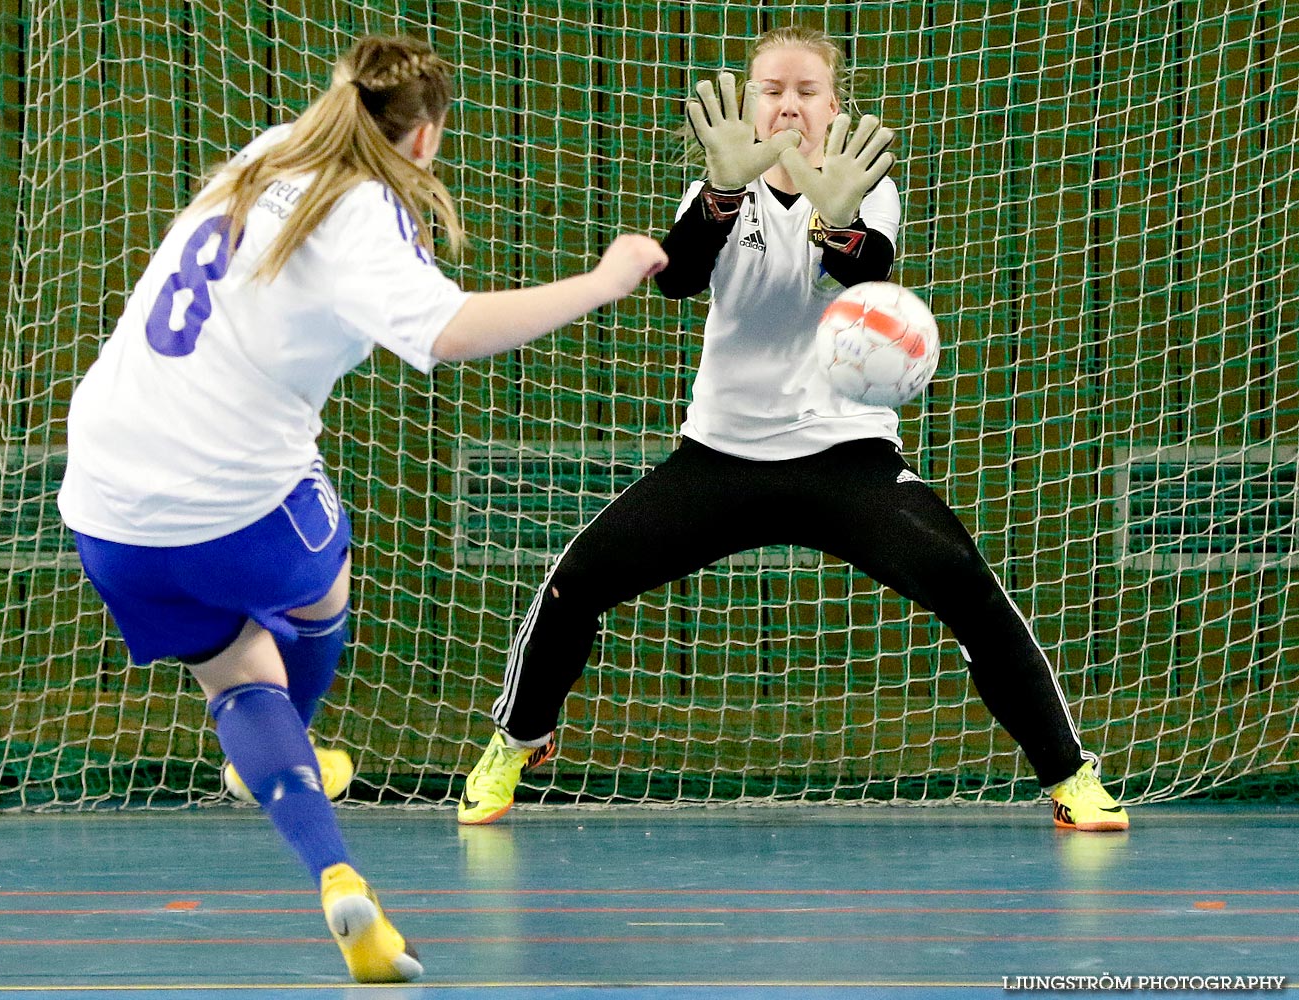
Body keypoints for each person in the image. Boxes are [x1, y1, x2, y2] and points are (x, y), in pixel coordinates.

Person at [57, 35, 666, 984]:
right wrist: (605, 277)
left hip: (103, 495)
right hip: (232, 500)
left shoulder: (263, 154)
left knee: (228, 671)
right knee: (323, 581)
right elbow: (449, 331)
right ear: (423, 140)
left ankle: (333, 862)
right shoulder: (359, 217)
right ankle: (292, 742)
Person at [456, 25, 1128, 834]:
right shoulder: (719, 183)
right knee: (573, 583)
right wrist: (717, 195)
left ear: (831, 104)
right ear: (749, 101)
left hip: (845, 454)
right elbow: (680, 277)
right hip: (721, 456)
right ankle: (518, 741)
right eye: (772, 89)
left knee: (966, 588)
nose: (788, 103)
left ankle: (1069, 777)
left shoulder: (862, 185)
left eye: (806, 91)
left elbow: (864, 270)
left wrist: (834, 217)